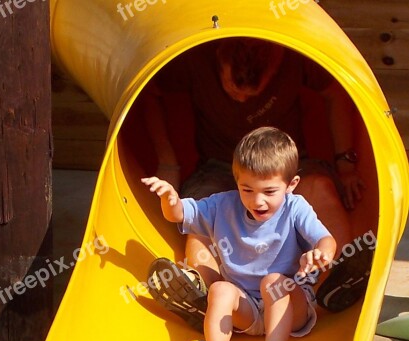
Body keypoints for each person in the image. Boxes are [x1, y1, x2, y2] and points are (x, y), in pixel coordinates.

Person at [143, 38, 368, 326]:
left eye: (253, 91)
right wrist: (167, 161)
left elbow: (335, 93)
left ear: (274, 66)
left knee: (321, 187)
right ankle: (204, 291)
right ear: (219, 57)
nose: (241, 97)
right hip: (220, 166)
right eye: (231, 86)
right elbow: (149, 91)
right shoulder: (197, 54)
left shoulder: (292, 52)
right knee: (205, 210)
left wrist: (346, 164)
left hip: (283, 167)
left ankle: (331, 281)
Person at [142, 127, 336, 341]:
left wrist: (320, 254)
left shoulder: (296, 207)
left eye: (269, 191)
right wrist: (169, 198)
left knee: (273, 282)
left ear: (291, 185)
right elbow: (178, 215)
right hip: (248, 309)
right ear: (237, 182)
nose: (258, 200)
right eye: (247, 189)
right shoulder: (223, 205)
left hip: (290, 306)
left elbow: (326, 240)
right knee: (220, 290)